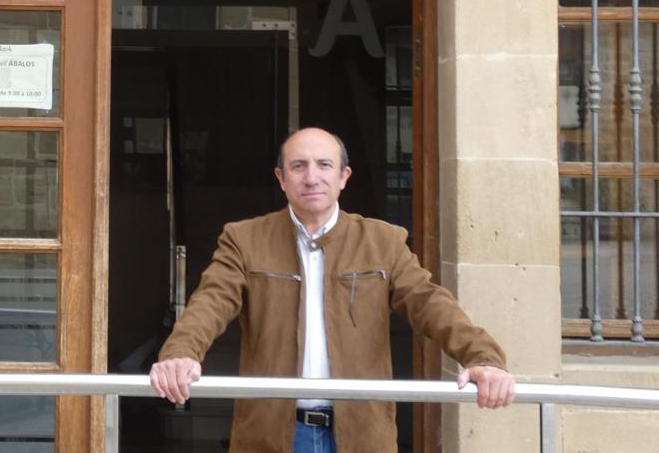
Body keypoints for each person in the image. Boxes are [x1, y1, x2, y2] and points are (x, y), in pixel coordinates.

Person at [149, 127, 515, 453]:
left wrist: (482, 356)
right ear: (281, 178)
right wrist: (182, 352)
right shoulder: (244, 239)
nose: (312, 177)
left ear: (343, 177)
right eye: (299, 166)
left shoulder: (382, 241)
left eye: (324, 165)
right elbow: (212, 300)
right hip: (272, 434)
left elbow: (429, 302)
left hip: (360, 436)